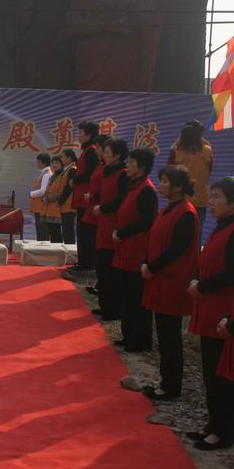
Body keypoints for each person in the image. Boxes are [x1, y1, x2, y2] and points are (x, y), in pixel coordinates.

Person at [141, 165, 198, 400]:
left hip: (172, 280)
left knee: (170, 337)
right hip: (160, 279)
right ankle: (165, 381)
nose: (162, 185)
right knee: (164, 335)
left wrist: (152, 267)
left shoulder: (186, 212)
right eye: (161, 181)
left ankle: (171, 386)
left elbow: (176, 249)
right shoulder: (167, 210)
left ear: (179, 187)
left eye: (166, 182)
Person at [187, 177, 234, 451]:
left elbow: (229, 274)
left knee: (220, 375)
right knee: (209, 371)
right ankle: (213, 423)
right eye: (212, 195)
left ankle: (223, 431)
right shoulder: (221, 227)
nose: (212, 201)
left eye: (217, 196)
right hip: (210, 308)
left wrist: (201, 286)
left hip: (223, 312)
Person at [111, 148, 157, 353]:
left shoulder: (147, 189)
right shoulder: (133, 186)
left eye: (131, 162)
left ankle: (139, 340)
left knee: (136, 297)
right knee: (126, 296)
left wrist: (123, 232)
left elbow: (147, 221)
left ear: (142, 167)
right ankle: (128, 335)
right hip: (126, 248)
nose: (127, 165)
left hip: (136, 250)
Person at [92, 138, 129, 321]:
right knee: (102, 269)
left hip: (113, 226)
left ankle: (113, 309)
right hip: (103, 225)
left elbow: (121, 199)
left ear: (118, 155)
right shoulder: (108, 171)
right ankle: (105, 305)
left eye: (107, 152)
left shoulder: (123, 174)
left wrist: (103, 208)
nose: (104, 155)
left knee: (110, 271)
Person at [168, 120, 213, 232]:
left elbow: (169, 172)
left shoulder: (177, 150)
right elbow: (209, 171)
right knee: (196, 234)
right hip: (200, 200)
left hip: (180, 199)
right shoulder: (207, 150)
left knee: (177, 233)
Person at [80, 134, 111, 290]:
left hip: (101, 210)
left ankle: (102, 283)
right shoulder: (100, 165)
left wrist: (92, 197)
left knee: (100, 249)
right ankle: (99, 282)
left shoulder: (109, 169)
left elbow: (108, 191)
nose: (97, 150)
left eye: (99, 147)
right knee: (95, 246)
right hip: (93, 208)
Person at [72, 120, 100, 269]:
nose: (79, 136)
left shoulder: (91, 151)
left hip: (86, 200)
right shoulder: (87, 150)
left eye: (81, 133)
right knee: (82, 232)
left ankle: (86, 264)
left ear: (89, 134)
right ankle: (82, 262)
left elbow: (89, 173)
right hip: (81, 199)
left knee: (85, 233)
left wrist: (74, 179)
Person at [41, 155, 67, 242]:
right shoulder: (52, 176)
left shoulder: (63, 176)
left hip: (57, 208)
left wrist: (47, 198)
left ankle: (58, 252)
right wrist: (44, 197)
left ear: (62, 164)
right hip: (49, 208)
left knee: (56, 232)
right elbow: (47, 190)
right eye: (53, 163)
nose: (54, 165)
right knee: (51, 232)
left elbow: (60, 192)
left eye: (57, 163)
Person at [29, 153, 52, 241]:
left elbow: (43, 191)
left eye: (38, 162)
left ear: (44, 163)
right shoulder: (44, 173)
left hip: (41, 207)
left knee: (42, 230)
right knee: (40, 230)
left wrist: (31, 194)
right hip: (39, 206)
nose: (37, 164)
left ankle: (43, 251)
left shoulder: (46, 174)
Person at [59, 149, 78, 244]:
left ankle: (71, 254)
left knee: (68, 231)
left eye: (63, 156)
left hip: (69, 204)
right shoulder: (67, 169)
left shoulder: (73, 169)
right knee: (66, 231)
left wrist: (60, 200)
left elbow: (69, 188)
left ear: (69, 158)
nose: (61, 158)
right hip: (65, 205)